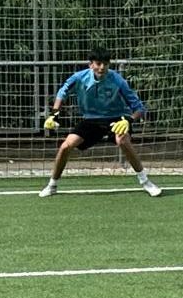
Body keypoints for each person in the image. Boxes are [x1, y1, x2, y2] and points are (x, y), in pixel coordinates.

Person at [40, 48, 162, 198]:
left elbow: (139, 108)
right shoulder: (79, 78)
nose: (102, 67)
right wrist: (54, 114)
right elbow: (62, 92)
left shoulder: (117, 80)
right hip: (91, 120)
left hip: (116, 119)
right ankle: (52, 185)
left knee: (122, 140)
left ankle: (146, 182)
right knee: (66, 146)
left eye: (105, 64)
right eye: (98, 63)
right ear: (91, 65)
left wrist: (129, 120)